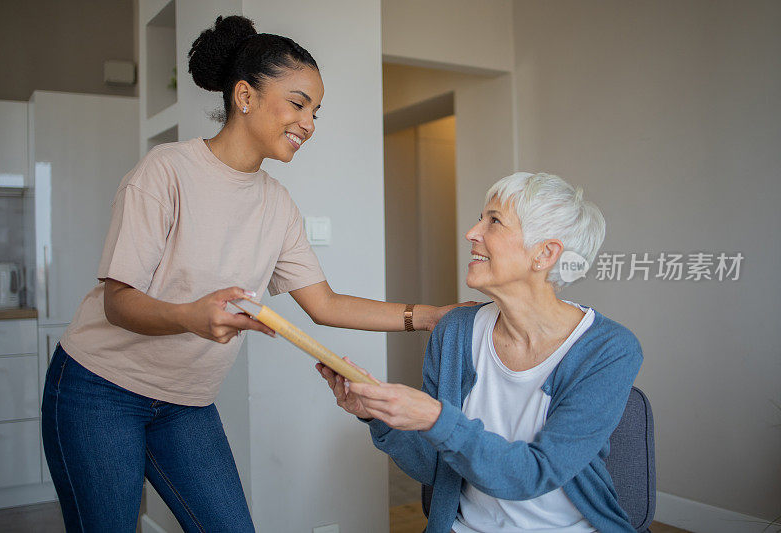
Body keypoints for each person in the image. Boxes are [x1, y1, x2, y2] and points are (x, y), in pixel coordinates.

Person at [41, 15, 464, 532]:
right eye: (298, 102)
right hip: (98, 390)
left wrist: (432, 316)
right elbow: (117, 301)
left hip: (185, 404)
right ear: (245, 95)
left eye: (316, 111)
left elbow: (325, 304)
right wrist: (191, 316)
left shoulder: (277, 205)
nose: (309, 123)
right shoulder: (166, 171)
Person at [318, 172, 644, 532]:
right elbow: (437, 467)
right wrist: (378, 417)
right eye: (480, 217)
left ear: (545, 253)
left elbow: (534, 474)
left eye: (494, 221)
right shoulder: (455, 331)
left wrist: (434, 417)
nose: (472, 233)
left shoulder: (609, 349)